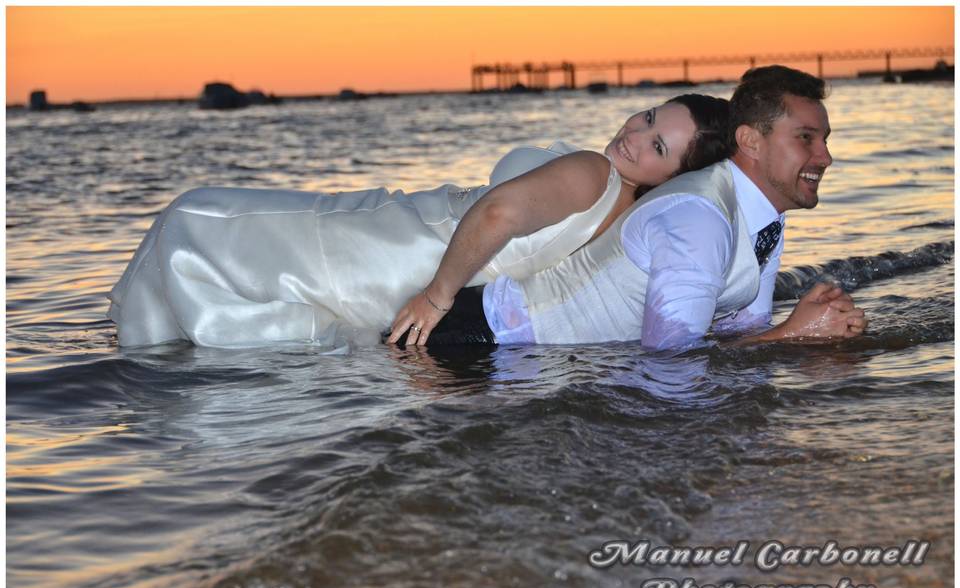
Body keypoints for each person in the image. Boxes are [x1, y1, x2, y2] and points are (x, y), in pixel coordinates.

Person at [108, 94, 730, 348]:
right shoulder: (627, 211)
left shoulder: (593, 173)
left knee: (197, 218)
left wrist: (437, 298)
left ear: (673, 174)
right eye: (649, 117)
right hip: (406, 248)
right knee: (224, 241)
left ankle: (146, 353)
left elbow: (499, 210)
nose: (635, 135)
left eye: (657, 146)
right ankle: (174, 350)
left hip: (404, 242)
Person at [390, 65, 866, 349]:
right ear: (750, 142)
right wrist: (794, 336)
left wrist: (803, 331)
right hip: (476, 343)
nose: (824, 156)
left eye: (825, 139)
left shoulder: (764, 220)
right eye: (806, 138)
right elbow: (671, 365)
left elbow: (736, 333)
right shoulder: (699, 219)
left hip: (512, 355)